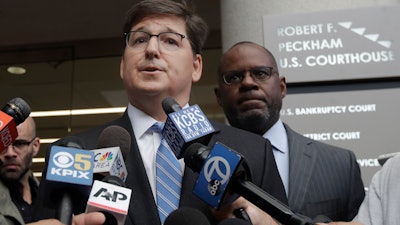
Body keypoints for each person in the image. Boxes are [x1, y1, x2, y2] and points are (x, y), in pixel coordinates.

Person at [34, 1, 287, 225]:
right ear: (123, 66)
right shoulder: (73, 155)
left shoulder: (253, 151)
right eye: (140, 39)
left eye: (170, 40)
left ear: (196, 66)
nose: (152, 50)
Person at [214, 41, 365, 221]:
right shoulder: (202, 167)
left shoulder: (341, 165)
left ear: (282, 87)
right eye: (233, 77)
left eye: (261, 73)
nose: (247, 83)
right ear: (218, 96)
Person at [0, 117, 105, 225]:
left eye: (19, 144)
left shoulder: (47, 194)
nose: (9, 153)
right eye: (2, 144)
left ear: (35, 146)